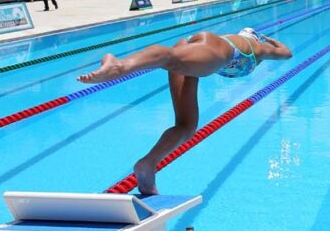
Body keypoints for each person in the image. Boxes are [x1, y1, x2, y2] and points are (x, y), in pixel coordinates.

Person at [78, 27, 293, 195]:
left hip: (203, 48)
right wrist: (270, 41)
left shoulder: (241, 42)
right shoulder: (258, 48)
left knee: (186, 126)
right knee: (171, 58)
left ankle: (148, 164)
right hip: (218, 51)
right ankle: (120, 64)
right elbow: (286, 53)